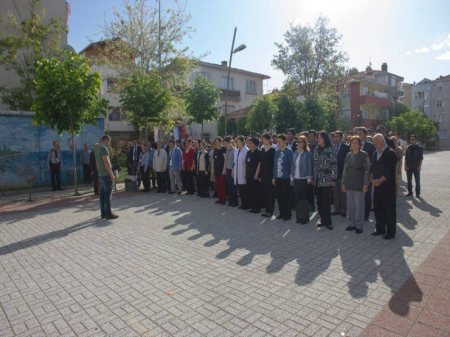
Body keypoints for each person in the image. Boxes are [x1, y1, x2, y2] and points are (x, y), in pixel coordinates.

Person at [370, 133, 398, 240]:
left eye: (376, 143)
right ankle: (380, 229)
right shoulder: (375, 153)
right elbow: (372, 167)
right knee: (378, 208)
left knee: (389, 209)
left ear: (383, 142)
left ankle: (390, 232)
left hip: (387, 186)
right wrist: (372, 179)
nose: (375, 145)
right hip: (377, 186)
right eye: (374, 143)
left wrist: (379, 181)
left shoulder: (390, 153)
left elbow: (389, 171)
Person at [341, 136, 371, 233]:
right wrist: (343, 182)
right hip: (349, 183)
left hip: (359, 184)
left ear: (359, 145)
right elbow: (345, 169)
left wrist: (366, 184)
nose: (354, 144)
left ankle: (359, 225)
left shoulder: (364, 155)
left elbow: (367, 171)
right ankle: (351, 223)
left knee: (359, 206)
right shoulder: (348, 155)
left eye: (356, 143)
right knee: (350, 206)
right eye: (352, 142)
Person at [313, 131, 337, 230]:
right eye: (318, 137)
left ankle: (328, 221)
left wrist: (333, 178)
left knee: (326, 201)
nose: (319, 139)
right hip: (318, 179)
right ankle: (322, 220)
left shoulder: (330, 149)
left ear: (325, 139)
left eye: (321, 137)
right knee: (319, 201)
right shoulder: (316, 149)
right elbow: (314, 165)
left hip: (327, 178)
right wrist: (314, 178)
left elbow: (334, 164)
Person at [291, 135, 313, 224]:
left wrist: (309, 178)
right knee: (298, 199)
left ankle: (305, 218)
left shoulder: (308, 153)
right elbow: (292, 166)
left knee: (304, 199)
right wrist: (291, 177)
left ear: (304, 143)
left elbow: (310, 166)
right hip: (296, 178)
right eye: (298, 142)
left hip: (304, 179)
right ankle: (298, 217)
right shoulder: (295, 153)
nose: (299, 143)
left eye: (301, 142)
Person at [95, 135, 118, 219]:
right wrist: (111, 174)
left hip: (100, 174)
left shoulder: (96, 149)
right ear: (105, 140)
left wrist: (99, 172)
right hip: (106, 175)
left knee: (102, 195)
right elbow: (106, 162)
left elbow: (97, 163)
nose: (109, 143)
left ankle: (103, 213)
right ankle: (108, 213)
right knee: (108, 195)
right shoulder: (103, 148)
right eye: (108, 141)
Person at [273, 134, 294, 221]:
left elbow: (292, 165)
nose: (279, 143)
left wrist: (291, 177)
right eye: (278, 141)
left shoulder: (289, 151)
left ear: (285, 141)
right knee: (279, 196)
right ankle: (281, 213)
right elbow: (275, 165)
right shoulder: (277, 152)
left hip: (286, 178)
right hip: (278, 178)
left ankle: (287, 214)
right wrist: (274, 177)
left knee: (286, 196)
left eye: (280, 141)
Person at [358, 127, 375, 221]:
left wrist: (370, 172)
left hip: (367, 174)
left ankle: (366, 213)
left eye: (361, 133)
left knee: (367, 194)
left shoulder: (370, 146)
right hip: (357, 175)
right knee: (358, 195)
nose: (359, 135)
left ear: (365, 135)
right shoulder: (354, 144)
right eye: (357, 133)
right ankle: (359, 212)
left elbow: (373, 160)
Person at [331, 131, 350, 217]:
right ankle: (337, 208)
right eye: (334, 136)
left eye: (337, 136)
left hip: (342, 173)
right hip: (334, 173)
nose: (335, 138)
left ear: (341, 138)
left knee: (343, 192)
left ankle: (343, 209)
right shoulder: (332, 147)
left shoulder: (346, 148)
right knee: (335, 192)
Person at [260, 134, 276, 218]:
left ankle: (271, 210)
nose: (264, 141)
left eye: (265, 140)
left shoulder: (273, 150)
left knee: (271, 193)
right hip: (263, 174)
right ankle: (267, 210)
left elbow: (274, 164)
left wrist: (274, 176)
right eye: (263, 140)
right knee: (265, 193)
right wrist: (260, 175)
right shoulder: (262, 149)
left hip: (270, 174)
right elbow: (261, 163)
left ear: (269, 140)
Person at [245, 138, 263, 213]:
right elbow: (246, 162)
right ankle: (253, 207)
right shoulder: (249, 152)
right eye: (249, 143)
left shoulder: (258, 152)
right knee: (250, 191)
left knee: (256, 192)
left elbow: (259, 163)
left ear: (255, 144)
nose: (249, 144)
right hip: (249, 174)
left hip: (255, 175)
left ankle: (257, 207)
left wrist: (256, 174)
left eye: (251, 143)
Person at [233, 136, 249, 210]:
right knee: (239, 189)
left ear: (243, 142)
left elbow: (245, 163)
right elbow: (234, 162)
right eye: (237, 142)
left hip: (243, 172)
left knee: (244, 190)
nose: (237, 143)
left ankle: (246, 204)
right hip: (237, 172)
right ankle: (242, 203)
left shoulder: (246, 151)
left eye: (239, 142)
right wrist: (233, 170)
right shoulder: (236, 151)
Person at [224, 136, 238, 207]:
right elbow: (226, 160)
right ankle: (230, 200)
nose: (225, 145)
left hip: (233, 170)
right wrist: (225, 169)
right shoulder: (227, 150)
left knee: (233, 186)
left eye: (226, 143)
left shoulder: (234, 150)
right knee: (229, 186)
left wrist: (233, 170)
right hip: (228, 169)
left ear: (230, 142)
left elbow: (234, 162)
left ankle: (235, 202)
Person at [213, 137, 227, 205]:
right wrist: (213, 169)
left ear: (220, 142)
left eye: (218, 142)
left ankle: (223, 199)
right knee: (217, 185)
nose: (216, 143)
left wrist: (224, 169)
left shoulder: (223, 149)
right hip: (216, 170)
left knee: (222, 185)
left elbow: (225, 159)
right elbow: (213, 160)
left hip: (221, 170)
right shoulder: (215, 150)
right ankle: (219, 198)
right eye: (216, 142)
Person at [307, 130, 318, 211]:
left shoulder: (317, 146)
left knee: (317, 191)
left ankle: (319, 207)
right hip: (308, 171)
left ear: (315, 137)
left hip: (316, 171)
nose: (310, 138)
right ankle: (311, 205)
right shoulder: (307, 146)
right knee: (309, 190)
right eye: (309, 136)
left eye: (311, 136)